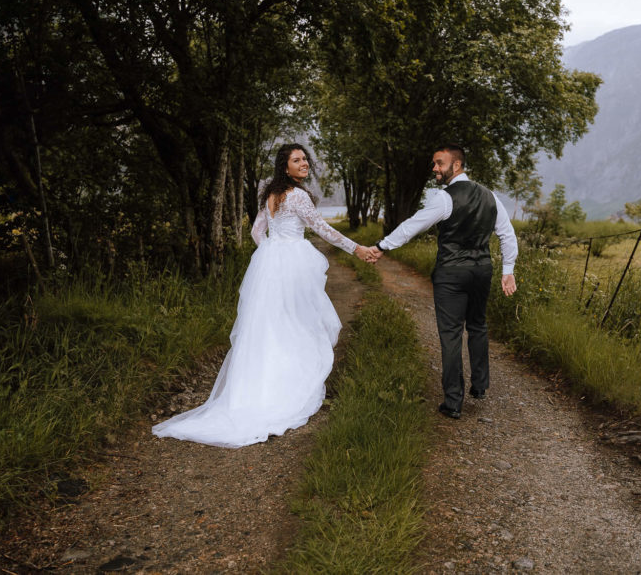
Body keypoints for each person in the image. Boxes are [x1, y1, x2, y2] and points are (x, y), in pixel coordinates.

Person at [152, 143, 379, 447]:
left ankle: (257, 389)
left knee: (270, 327)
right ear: (285, 167)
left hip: (272, 266)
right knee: (298, 323)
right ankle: (287, 390)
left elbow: (257, 233)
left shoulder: (271, 196)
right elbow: (323, 229)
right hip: (293, 265)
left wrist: (272, 255)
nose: (304, 163)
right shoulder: (297, 196)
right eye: (296, 160)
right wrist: (357, 248)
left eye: (305, 159)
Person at [372, 144, 517, 419]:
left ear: (457, 165)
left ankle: (453, 402)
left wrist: (382, 246)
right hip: (482, 271)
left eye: (439, 163)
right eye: (434, 164)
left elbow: (413, 225)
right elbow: (507, 235)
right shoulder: (491, 196)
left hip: (452, 273)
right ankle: (481, 386)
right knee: (478, 325)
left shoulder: (444, 198)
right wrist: (506, 270)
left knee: (450, 334)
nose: (435, 169)